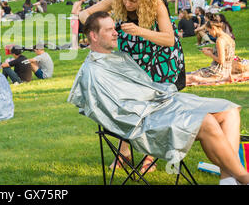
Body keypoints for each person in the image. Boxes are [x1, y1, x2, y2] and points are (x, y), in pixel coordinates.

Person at [69, 11, 248, 185]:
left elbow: (145, 88)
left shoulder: (119, 57)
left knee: (229, 110)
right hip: (144, 122)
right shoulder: (93, 72)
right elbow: (115, 113)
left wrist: (160, 98)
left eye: (114, 28)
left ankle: (229, 179)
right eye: (109, 30)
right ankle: (244, 177)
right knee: (206, 121)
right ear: (93, 35)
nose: (116, 32)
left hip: (162, 103)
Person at [79, 0, 186, 172]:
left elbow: (168, 39)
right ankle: (124, 151)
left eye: (133, 1)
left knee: (152, 108)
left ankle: (149, 156)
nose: (127, 4)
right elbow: (84, 15)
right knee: (122, 103)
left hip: (159, 60)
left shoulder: (157, 4)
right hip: (132, 61)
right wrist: (101, 28)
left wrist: (140, 31)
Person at [187, 20, 235, 86]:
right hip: (227, 70)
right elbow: (226, 52)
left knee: (191, 77)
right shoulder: (228, 37)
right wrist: (212, 49)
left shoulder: (220, 40)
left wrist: (209, 54)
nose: (209, 33)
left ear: (213, 28)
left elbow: (221, 61)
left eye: (209, 31)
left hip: (218, 72)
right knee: (194, 73)